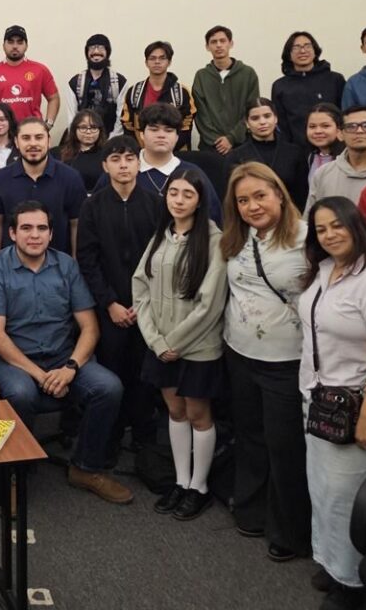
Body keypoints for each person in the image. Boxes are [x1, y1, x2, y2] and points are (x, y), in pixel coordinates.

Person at [0, 202, 132, 504]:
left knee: (108, 387)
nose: (34, 235)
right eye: (26, 228)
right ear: (12, 233)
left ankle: (86, 467)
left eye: (42, 228)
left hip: (62, 356)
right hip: (12, 359)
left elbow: (90, 328)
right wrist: (39, 374)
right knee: (22, 394)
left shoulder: (67, 266)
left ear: (51, 234)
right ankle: (12, 472)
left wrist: (71, 367)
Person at [299, 197, 366, 607]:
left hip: (364, 406)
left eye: (336, 226)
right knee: (324, 491)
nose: (329, 235)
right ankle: (334, 564)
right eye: (321, 229)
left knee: (348, 497)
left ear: (356, 225)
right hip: (321, 397)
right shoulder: (325, 270)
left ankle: (356, 582)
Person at [220, 163, 310, 562]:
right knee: (251, 436)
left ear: (279, 193)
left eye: (260, 196)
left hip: (287, 358)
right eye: (243, 200)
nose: (253, 206)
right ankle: (251, 509)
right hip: (239, 352)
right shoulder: (236, 238)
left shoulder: (308, 237)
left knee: (284, 445)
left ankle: (288, 529)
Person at [132, 168, 227, 521]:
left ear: (200, 199)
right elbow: (139, 286)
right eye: (174, 193)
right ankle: (181, 480)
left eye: (188, 194)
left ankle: (198, 486)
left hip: (197, 347)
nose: (179, 200)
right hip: (161, 346)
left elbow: (209, 304)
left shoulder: (215, 241)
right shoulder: (161, 236)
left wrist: (173, 342)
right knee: (175, 412)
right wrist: (156, 341)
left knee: (199, 415)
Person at [77, 136, 164, 456]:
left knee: (145, 374)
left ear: (139, 163)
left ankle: (145, 440)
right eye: (116, 159)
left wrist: (145, 304)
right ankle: (109, 438)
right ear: (105, 166)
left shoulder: (156, 203)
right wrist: (110, 303)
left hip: (148, 308)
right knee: (112, 373)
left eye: (129, 158)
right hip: (109, 306)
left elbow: (161, 258)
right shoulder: (92, 206)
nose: (123, 165)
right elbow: (87, 260)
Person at [0, 117, 89, 257]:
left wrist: (75, 264)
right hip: (11, 270)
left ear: (48, 140)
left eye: (39, 137)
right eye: (26, 138)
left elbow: (76, 225)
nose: (33, 143)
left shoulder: (70, 178)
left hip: (59, 269)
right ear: (16, 142)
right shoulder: (1, 179)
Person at [136, 103, 221, 222]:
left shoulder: (194, 173)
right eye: (154, 129)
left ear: (177, 136)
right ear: (141, 134)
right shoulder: (123, 171)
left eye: (168, 130)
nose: (161, 135)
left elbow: (214, 220)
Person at [226, 98, 309, 209]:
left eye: (267, 116)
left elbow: (302, 193)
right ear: (247, 123)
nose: (262, 122)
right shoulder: (236, 156)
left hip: (290, 217)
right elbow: (231, 198)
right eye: (255, 118)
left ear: (275, 118)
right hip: (253, 217)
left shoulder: (294, 153)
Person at [305, 106, 366, 213]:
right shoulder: (323, 174)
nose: (359, 131)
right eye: (351, 127)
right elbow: (310, 219)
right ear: (340, 134)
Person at [192, 26, 260, 156]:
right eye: (213, 42)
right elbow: (200, 114)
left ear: (231, 43)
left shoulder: (247, 73)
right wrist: (217, 141)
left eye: (222, 41)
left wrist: (231, 138)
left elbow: (251, 110)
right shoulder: (201, 76)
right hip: (211, 146)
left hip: (243, 144)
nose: (218, 45)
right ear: (207, 47)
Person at [270, 32, 346, 146]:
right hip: (298, 151)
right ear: (289, 54)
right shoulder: (280, 86)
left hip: (335, 149)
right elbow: (282, 125)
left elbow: (344, 114)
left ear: (315, 51)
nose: (302, 51)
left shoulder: (335, 79)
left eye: (307, 46)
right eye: (296, 47)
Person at [0, 24, 60, 127]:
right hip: (3, 134)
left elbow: (53, 98)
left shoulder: (40, 70)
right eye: (10, 42)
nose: (15, 46)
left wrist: (48, 124)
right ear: (3, 45)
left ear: (26, 46)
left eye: (20, 42)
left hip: (32, 131)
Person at [117, 41, 195, 145]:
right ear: (146, 62)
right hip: (142, 153)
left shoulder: (181, 93)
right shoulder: (134, 92)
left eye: (162, 58)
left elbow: (186, 126)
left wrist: (166, 147)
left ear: (169, 62)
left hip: (174, 152)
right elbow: (128, 125)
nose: (157, 62)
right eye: (152, 58)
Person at [67, 34, 126, 136]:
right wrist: (78, 137)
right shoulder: (75, 82)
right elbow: (72, 116)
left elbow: (121, 115)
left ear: (108, 52)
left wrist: (113, 139)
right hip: (82, 136)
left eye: (101, 48)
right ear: (87, 53)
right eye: (92, 48)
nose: (96, 52)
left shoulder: (119, 82)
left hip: (111, 137)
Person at [54, 109, 106, 192]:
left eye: (93, 127)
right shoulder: (56, 153)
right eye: (83, 127)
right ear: (75, 129)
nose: (88, 132)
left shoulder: (106, 155)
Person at [304, 103, 346, 186]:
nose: (318, 131)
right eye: (312, 126)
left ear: (339, 129)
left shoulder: (348, 158)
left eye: (325, 126)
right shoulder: (311, 157)